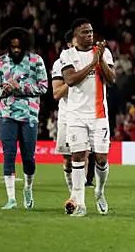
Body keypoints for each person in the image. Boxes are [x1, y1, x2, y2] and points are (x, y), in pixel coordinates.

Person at [60, 19, 116, 217]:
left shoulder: (104, 53)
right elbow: (70, 80)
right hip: (75, 114)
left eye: (91, 31)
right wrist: (92, 63)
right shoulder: (67, 55)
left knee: (101, 158)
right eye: (85, 32)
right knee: (78, 157)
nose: (90, 35)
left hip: (99, 115)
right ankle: (80, 204)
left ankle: (99, 192)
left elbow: (111, 79)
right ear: (75, 36)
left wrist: (99, 59)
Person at [0, 27, 47, 210]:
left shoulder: (36, 60)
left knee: (29, 158)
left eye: (18, 47)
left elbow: (44, 87)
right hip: (7, 114)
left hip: (29, 114)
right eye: (12, 46)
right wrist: (5, 89)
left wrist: (20, 87)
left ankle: (28, 188)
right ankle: (11, 199)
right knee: (9, 155)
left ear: (24, 46)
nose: (15, 50)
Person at [51, 31, 75, 195]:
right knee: (67, 160)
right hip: (67, 114)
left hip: (87, 114)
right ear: (69, 45)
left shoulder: (90, 61)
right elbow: (57, 93)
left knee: (81, 155)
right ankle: (72, 189)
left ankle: (75, 196)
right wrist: (76, 79)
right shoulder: (59, 63)